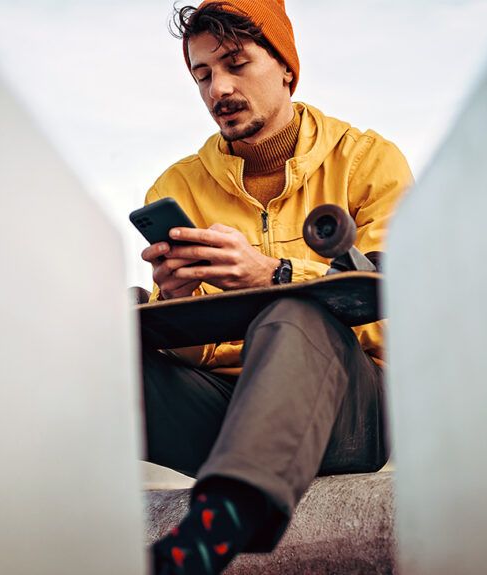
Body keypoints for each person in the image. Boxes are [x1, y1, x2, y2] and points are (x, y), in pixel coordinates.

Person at [140, 1, 413, 573]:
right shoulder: (175, 186)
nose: (220, 87)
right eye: (203, 74)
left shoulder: (367, 161)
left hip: (351, 411)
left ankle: (224, 520)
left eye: (236, 63)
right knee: (111, 339)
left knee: (293, 315)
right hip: (225, 414)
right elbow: (196, 356)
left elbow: (397, 303)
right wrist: (176, 304)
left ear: (286, 66)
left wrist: (271, 276)